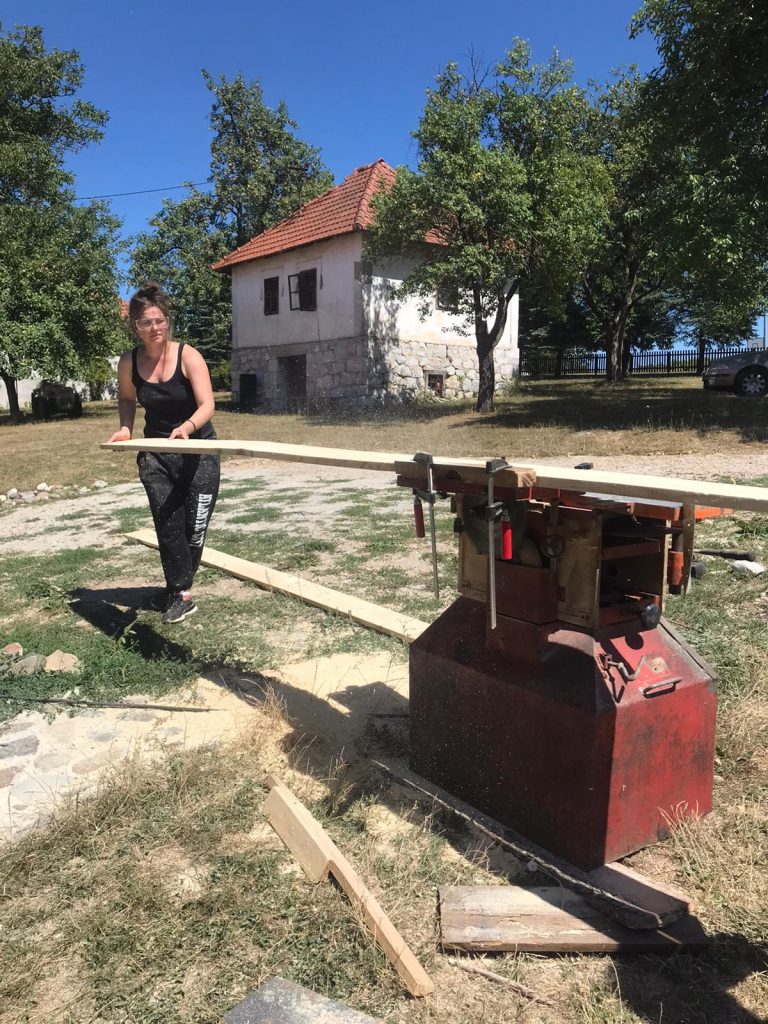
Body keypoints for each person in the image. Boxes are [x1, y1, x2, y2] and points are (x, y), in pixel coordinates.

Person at [108, 282, 220, 623]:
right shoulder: (128, 362)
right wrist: (127, 428)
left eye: (160, 321)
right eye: (146, 323)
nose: (154, 328)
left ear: (167, 321)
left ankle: (176, 589)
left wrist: (187, 427)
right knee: (167, 523)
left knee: (193, 527)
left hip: (198, 452)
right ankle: (181, 592)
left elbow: (208, 405)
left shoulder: (188, 355)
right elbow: (127, 398)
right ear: (135, 326)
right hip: (155, 453)